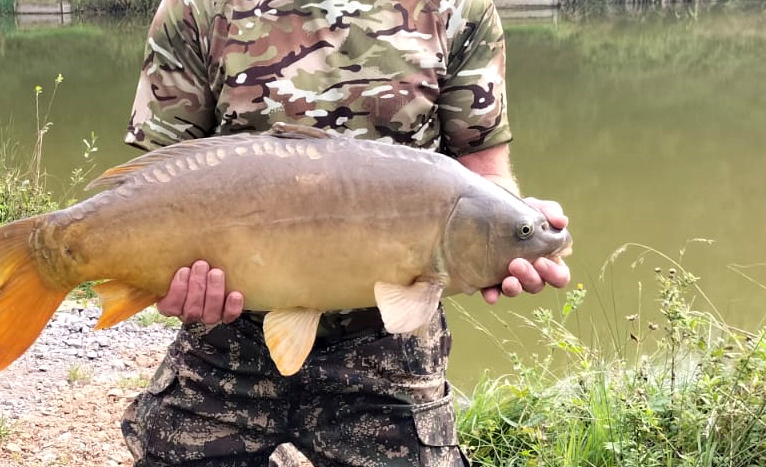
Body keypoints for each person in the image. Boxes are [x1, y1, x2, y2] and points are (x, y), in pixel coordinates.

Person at [120, 0, 570, 465]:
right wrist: (162, 281)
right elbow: (156, 186)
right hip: (224, 338)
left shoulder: (459, 8)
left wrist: (517, 227)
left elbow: (483, 174)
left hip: (391, 352)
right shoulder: (196, 7)